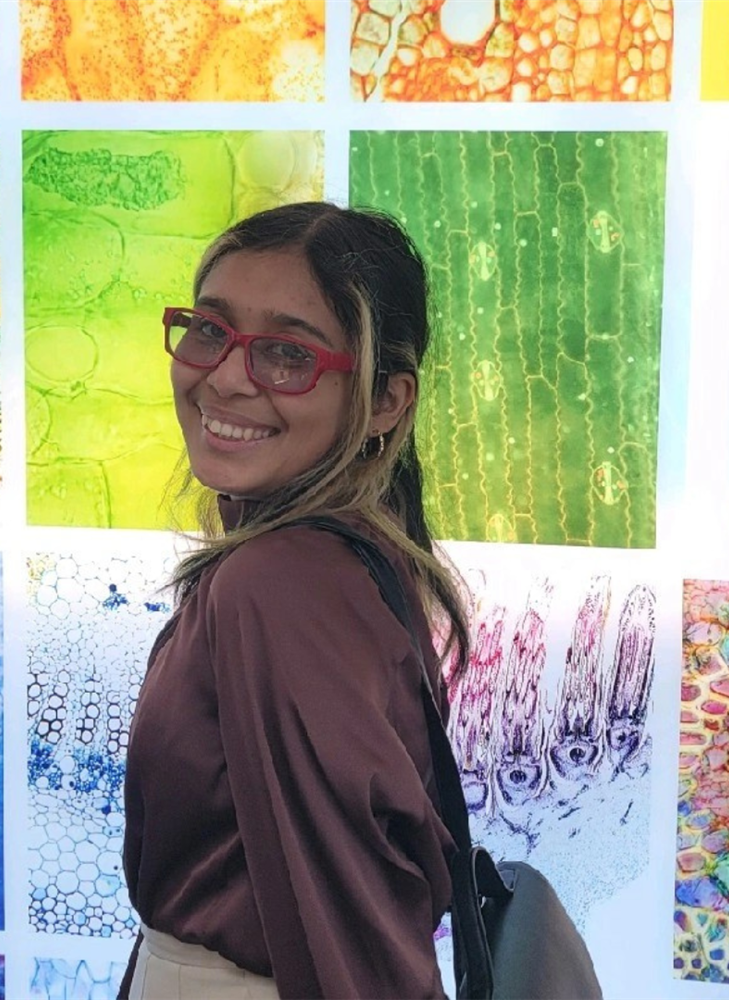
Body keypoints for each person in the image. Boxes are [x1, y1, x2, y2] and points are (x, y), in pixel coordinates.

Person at [120, 201, 471, 1000]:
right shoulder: (343, 556)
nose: (227, 377)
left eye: (286, 354)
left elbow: (349, 921)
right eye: (209, 330)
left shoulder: (277, 583)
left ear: (387, 401)